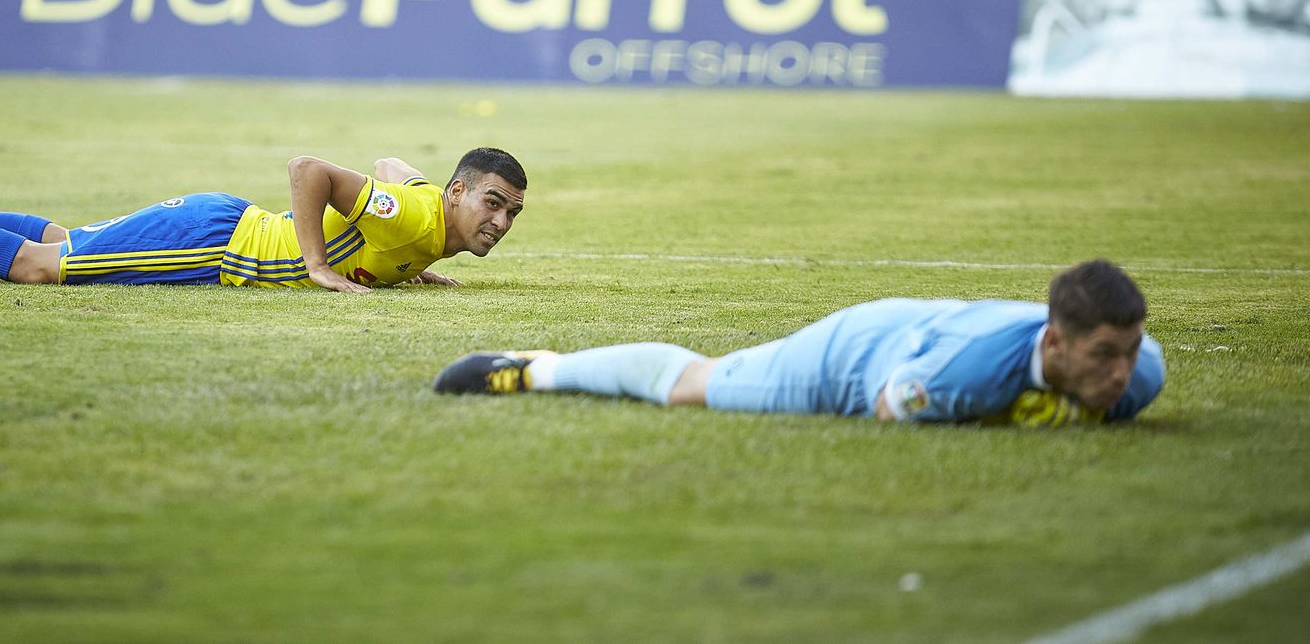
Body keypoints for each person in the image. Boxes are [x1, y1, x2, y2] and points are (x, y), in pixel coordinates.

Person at [435, 259, 1164, 425]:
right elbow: (888, 408)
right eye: (1104, 357)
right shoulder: (966, 375)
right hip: (857, 354)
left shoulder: (1144, 373)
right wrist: (1052, 415)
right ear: (1058, 343)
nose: (1120, 374)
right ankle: (531, 369)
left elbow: (1128, 371)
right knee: (697, 385)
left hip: (928, 327)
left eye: (1127, 352)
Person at [0, 147, 526, 294]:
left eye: (512, 213)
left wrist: (413, 262)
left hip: (215, 224)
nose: (499, 221)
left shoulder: (423, 219)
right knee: (43, 266)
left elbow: (394, 164)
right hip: (213, 247)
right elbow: (310, 171)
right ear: (458, 192)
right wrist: (319, 265)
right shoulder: (411, 220)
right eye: (491, 202)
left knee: (60, 240)